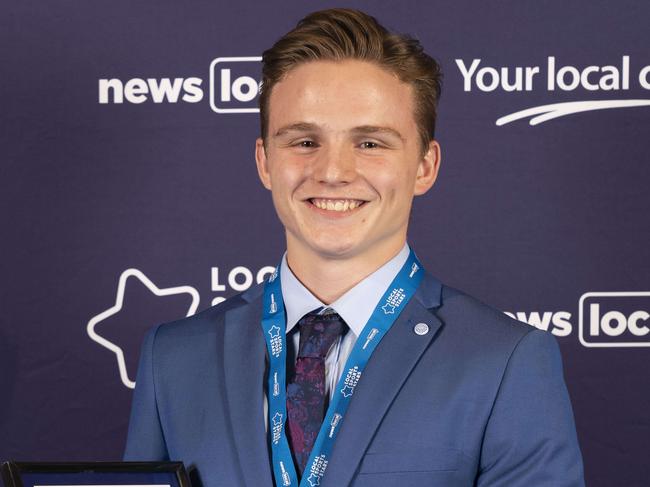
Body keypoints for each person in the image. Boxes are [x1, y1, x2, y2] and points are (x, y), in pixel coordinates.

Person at [124, 8, 584, 487]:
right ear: (264, 161)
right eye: (304, 140)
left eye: (369, 144)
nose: (333, 171)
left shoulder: (506, 362)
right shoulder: (173, 359)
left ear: (425, 166)